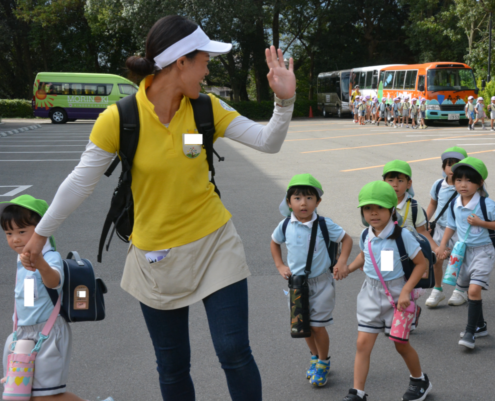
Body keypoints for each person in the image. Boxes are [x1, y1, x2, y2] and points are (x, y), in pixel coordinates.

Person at [21, 15, 297, 401]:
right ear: (181, 61)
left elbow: (267, 142)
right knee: (172, 366)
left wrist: (284, 101)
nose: (207, 70)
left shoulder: (206, 108)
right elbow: (78, 184)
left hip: (215, 244)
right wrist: (40, 234)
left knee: (234, 351)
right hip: (155, 258)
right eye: (204, 61)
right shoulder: (120, 119)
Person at [0, 195, 114, 401]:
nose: (14, 239)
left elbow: (54, 282)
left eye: (22, 232)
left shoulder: (49, 257)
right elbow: (27, 299)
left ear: (43, 230)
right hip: (23, 334)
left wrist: (40, 262)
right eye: (9, 233)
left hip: (48, 333)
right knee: (23, 394)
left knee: (47, 396)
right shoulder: (20, 259)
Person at [339, 181, 432, 401]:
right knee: (362, 343)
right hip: (370, 294)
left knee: (400, 344)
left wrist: (405, 291)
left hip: (397, 296)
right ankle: (357, 393)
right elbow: (364, 255)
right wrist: (347, 269)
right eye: (368, 208)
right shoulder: (365, 235)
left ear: (391, 209)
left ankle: (420, 380)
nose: (373, 213)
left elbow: (422, 264)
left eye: (380, 208)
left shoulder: (403, 236)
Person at [270, 174, 353, 388]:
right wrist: (280, 265)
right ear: (289, 203)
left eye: (309, 197)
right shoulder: (286, 224)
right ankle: (315, 358)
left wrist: (342, 262)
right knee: (304, 325)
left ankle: (324, 363)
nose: (303, 203)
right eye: (297, 198)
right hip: (297, 285)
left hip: (322, 283)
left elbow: (346, 239)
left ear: (318, 202)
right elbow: (274, 242)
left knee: (318, 326)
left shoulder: (325, 224)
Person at [436, 157, 495, 350]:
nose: (463, 184)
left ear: (480, 183)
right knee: (469, 289)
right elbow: (451, 225)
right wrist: (442, 246)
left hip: (484, 252)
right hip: (463, 251)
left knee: (474, 290)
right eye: (458, 180)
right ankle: (481, 326)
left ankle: (470, 332)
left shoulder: (486, 204)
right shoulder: (454, 203)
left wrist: (482, 223)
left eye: (469, 180)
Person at [382, 160, 437, 330]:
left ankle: (409, 316)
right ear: (383, 182)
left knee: (409, 286)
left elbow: (422, 232)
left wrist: (435, 248)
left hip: (410, 255)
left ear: (409, 183)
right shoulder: (379, 204)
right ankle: (392, 316)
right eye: (390, 180)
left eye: (400, 180)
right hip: (386, 253)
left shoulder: (413, 206)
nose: (395, 185)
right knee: (388, 284)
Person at [425, 147, 468, 308]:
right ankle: (437, 289)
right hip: (441, 228)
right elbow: (432, 204)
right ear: (444, 168)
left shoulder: (467, 186)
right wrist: (425, 222)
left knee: (461, 260)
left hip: (462, 230)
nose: (452, 168)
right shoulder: (438, 185)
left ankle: (460, 290)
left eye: (457, 164)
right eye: (449, 164)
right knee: (437, 259)